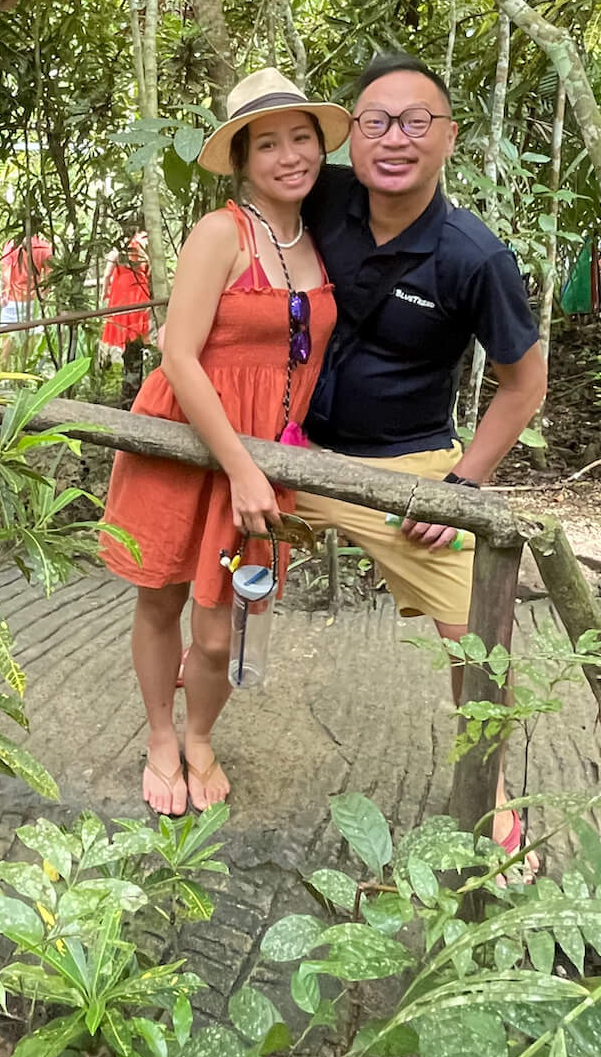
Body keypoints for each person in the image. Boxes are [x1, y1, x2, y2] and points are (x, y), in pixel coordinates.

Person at [296, 50, 547, 861]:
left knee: (476, 638)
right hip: (288, 447)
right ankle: (182, 743)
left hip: (408, 469)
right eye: (375, 121)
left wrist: (464, 483)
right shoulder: (323, 198)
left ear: (449, 137)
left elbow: (523, 386)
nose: (393, 138)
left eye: (415, 121)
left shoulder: (476, 257)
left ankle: (491, 804)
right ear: (350, 138)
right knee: (198, 571)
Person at [99, 70, 345, 816]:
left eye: (300, 137)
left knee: (223, 629)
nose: (288, 155)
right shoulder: (220, 233)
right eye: (266, 143)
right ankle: (160, 737)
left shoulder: (321, 241)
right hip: (186, 444)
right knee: (161, 599)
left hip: (267, 456)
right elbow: (178, 354)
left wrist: (270, 464)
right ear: (242, 161)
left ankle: (200, 732)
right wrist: (240, 468)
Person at [0, 232, 52, 365]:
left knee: (7, 336)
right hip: (34, 300)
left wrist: (4, 293)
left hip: (12, 298)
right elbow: (49, 276)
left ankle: (2, 368)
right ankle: (26, 366)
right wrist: (43, 297)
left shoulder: (11, 245)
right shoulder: (44, 247)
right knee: (32, 335)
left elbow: (6, 273)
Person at [98, 234, 152, 361]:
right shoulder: (142, 248)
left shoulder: (118, 251)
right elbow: (149, 269)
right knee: (138, 317)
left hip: (121, 290)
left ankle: (121, 350)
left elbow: (107, 275)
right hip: (140, 287)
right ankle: (141, 349)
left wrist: (104, 292)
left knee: (121, 317)